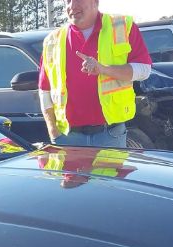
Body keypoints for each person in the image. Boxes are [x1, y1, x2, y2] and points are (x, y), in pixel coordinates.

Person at [38, 0, 152, 148]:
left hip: (110, 134)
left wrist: (103, 69)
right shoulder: (53, 40)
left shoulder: (122, 26)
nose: (72, 6)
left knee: (111, 172)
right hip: (67, 137)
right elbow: (44, 89)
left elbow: (144, 70)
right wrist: (52, 129)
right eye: (67, 1)